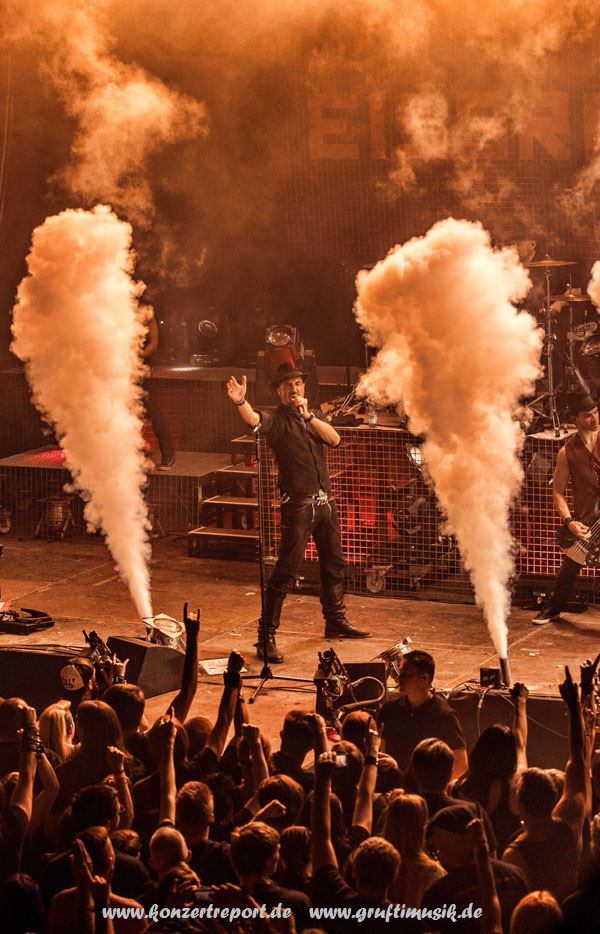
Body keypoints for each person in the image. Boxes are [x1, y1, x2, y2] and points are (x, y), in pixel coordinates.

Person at [226, 361, 369, 664]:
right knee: (287, 571)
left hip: (325, 502)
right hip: (299, 505)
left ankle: (335, 621)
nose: (294, 389)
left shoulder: (311, 416)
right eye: (288, 385)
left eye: (298, 384)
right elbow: (254, 420)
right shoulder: (277, 421)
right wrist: (240, 401)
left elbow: (335, 439)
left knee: (334, 564)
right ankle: (266, 636)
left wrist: (308, 416)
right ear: (279, 391)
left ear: (304, 388)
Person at [533, 390, 600, 624]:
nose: (595, 418)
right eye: (588, 415)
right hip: (587, 520)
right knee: (570, 567)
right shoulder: (567, 452)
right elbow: (558, 492)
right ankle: (553, 608)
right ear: (575, 419)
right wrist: (569, 522)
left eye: (596, 412)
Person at [376, 650, 468, 776]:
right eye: (401, 673)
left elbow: (461, 766)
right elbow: (377, 747)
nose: (399, 679)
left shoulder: (444, 716)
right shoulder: (390, 709)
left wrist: (432, 785)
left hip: (424, 787)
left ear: (424, 679)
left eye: (407, 675)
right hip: (393, 784)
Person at [143, 309, 176, 471]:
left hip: (141, 369)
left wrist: (136, 356)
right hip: (119, 369)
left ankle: (168, 454)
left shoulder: (146, 310)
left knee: (152, 411)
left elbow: (153, 345)